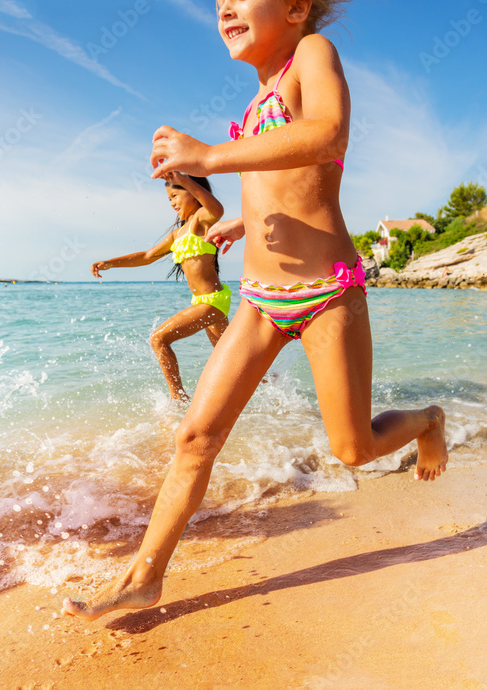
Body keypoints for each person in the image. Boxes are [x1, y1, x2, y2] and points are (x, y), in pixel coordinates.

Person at [63, 0, 447, 622]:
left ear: (295, 9)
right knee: (195, 436)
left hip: (328, 292)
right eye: (218, 5)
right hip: (258, 301)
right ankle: (143, 577)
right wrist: (247, 216)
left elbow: (327, 135)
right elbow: (284, 177)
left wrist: (209, 157)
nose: (224, 8)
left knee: (352, 448)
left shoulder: (312, 56)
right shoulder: (256, 100)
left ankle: (428, 420)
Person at [90, 172, 229, 401]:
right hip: (202, 303)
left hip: (212, 302)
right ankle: (274, 385)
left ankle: (178, 399)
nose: (172, 202)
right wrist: (110, 263)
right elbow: (147, 256)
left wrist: (184, 179)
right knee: (229, 359)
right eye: (169, 199)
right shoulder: (177, 234)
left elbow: (218, 210)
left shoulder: (201, 221)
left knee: (158, 339)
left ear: (193, 192)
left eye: (175, 195)